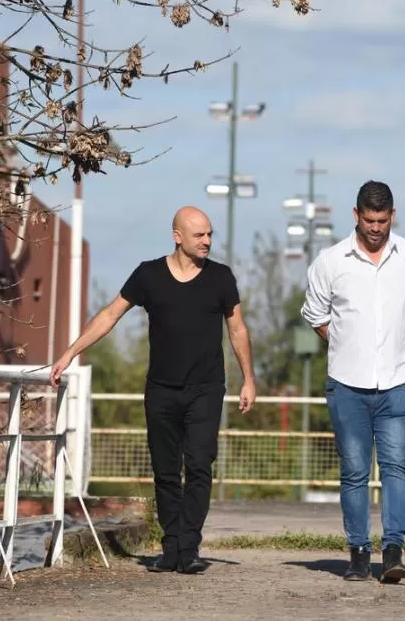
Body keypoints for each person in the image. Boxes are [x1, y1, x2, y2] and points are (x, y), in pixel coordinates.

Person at [49, 206, 256, 574]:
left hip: (206, 388)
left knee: (198, 465)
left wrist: (248, 379)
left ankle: (189, 547)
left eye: (210, 234)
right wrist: (69, 353)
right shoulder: (148, 274)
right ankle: (171, 546)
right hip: (161, 389)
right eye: (199, 235)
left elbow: (237, 329)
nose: (207, 241)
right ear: (177, 236)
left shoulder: (221, 278)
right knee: (164, 470)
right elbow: (110, 315)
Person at [301, 180, 405, 583]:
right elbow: (315, 315)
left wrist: (397, 350)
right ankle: (358, 552)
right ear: (356, 215)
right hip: (347, 383)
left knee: (396, 465)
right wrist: (347, 344)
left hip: (400, 381)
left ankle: (393, 550)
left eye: (382, 220)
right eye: (369, 220)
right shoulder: (330, 262)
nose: (376, 228)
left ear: (392, 215)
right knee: (355, 470)